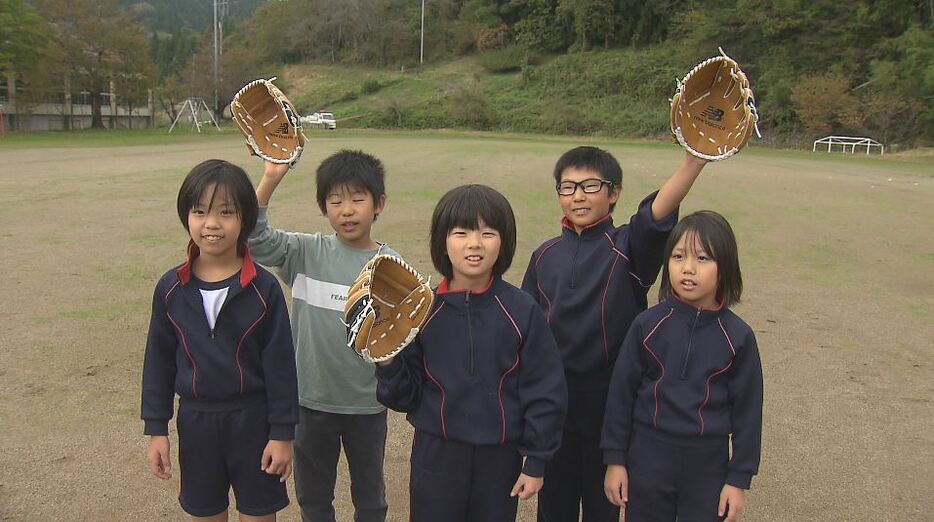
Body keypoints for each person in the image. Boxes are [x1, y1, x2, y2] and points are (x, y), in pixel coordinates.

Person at [522, 146, 708, 521]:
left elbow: (655, 216)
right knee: (553, 507)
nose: (578, 195)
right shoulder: (544, 255)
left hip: (611, 404)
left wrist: (694, 162)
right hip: (555, 402)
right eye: (568, 187)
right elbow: (527, 334)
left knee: (602, 506)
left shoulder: (628, 248)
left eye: (590, 185)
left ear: (614, 193)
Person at [376, 184, 567, 522]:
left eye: (487, 233)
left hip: (499, 459)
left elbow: (545, 390)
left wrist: (536, 460)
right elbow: (403, 396)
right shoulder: (421, 311)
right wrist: (387, 358)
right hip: (436, 455)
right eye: (461, 232)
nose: (474, 244)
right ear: (442, 241)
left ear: (504, 242)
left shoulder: (522, 310)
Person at [142, 159, 299, 521]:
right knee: (206, 512)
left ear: (244, 218)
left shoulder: (263, 288)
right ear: (187, 216)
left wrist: (282, 433)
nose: (211, 224)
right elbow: (159, 362)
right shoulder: (171, 288)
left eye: (226, 212)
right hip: (197, 422)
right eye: (200, 211)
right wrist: (156, 429)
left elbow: (281, 367)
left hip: (254, 422)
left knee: (259, 513)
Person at [248, 151, 395, 522]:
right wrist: (271, 177)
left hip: (366, 405)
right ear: (323, 207)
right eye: (335, 200)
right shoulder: (305, 252)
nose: (347, 210)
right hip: (310, 403)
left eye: (358, 199)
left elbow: (400, 336)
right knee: (314, 500)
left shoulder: (389, 267)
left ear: (379, 204)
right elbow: (252, 237)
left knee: (371, 501)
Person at [602, 210, 763, 522]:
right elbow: (621, 396)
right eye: (678, 257)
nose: (688, 269)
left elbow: (748, 411)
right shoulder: (647, 325)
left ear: (725, 266)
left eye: (702, 258)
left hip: (707, 463)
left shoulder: (738, 337)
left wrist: (737, 479)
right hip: (648, 455)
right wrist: (615, 460)